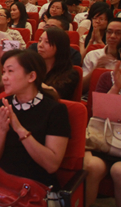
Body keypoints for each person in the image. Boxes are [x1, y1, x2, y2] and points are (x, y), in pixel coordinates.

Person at [0, 49, 70, 207]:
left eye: (10, 71)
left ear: (31, 76)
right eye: (3, 71)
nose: (4, 77)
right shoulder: (0, 105)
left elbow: (51, 165)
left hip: (36, 188)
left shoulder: (55, 111)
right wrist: (1, 130)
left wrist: (20, 130)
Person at [83, 59, 121, 207]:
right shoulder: (107, 78)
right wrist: (116, 87)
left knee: (119, 172)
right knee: (93, 166)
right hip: (101, 140)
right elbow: (97, 113)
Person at [36, 27, 80, 100]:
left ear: (60, 46)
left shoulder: (70, 74)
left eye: (47, 42)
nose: (40, 45)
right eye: (39, 40)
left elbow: (55, 95)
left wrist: (29, 81)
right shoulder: (34, 67)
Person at [82, 19, 121, 92]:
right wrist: (96, 69)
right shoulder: (93, 55)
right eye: (109, 32)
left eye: (118, 33)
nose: (112, 36)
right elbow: (82, 88)